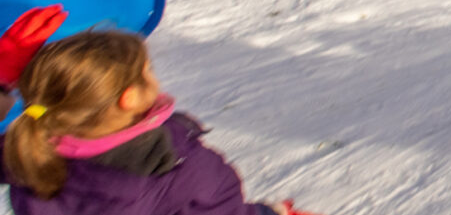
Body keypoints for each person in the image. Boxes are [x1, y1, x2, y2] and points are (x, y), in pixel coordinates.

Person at [2, 30, 311, 215]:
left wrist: (7, 84)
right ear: (130, 98)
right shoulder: (176, 164)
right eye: (148, 69)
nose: (155, 75)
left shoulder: (26, 151)